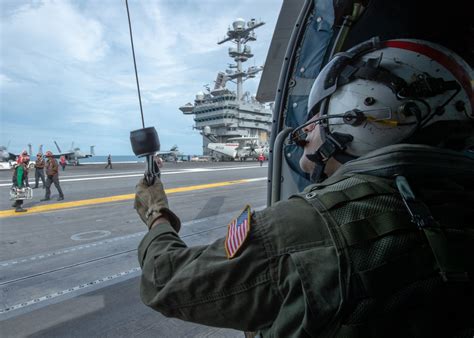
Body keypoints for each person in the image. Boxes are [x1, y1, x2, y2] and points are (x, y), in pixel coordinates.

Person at [134, 39, 474, 336]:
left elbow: (165, 281)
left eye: (320, 115)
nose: (309, 129)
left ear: (358, 113)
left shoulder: (305, 225)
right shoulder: (459, 200)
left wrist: (156, 214)